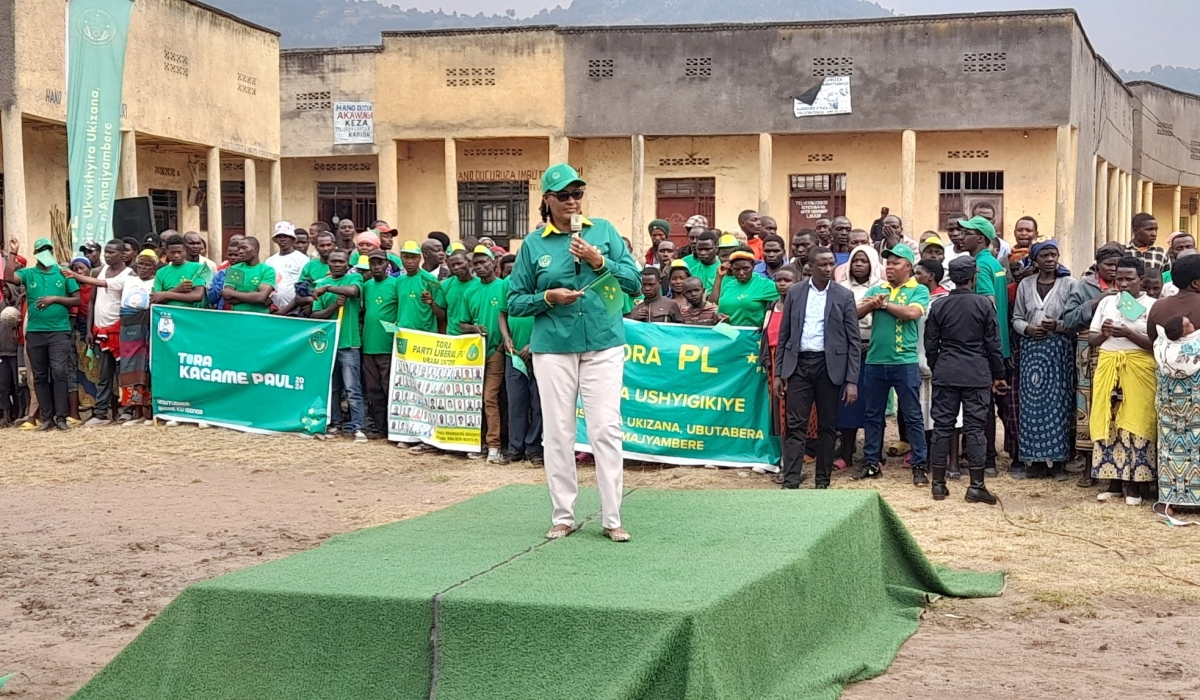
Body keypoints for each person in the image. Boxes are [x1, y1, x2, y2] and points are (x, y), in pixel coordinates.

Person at [507, 163, 641, 543]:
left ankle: (612, 518)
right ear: (547, 201)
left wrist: (600, 260)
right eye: (563, 195)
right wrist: (548, 297)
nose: (571, 201)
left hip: (603, 341)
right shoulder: (535, 244)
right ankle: (563, 515)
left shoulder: (604, 232)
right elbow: (514, 301)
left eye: (576, 194)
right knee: (559, 431)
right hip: (554, 346)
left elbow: (633, 283)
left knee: (605, 429)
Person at [774, 248, 860, 490]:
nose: (827, 268)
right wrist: (780, 372)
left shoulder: (844, 296)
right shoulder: (796, 292)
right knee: (795, 424)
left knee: (827, 426)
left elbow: (854, 340)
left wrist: (852, 380)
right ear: (810, 266)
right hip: (799, 364)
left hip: (829, 367)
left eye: (831, 263)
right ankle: (791, 481)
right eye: (822, 264)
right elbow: (785, 334)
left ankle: (822, 481)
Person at [925, 256, 1008, 504]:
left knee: (942, 427)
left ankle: (938, 484)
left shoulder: (939, 306)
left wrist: (937, 365)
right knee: (975, 429)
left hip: (946, 371)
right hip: (977, 373)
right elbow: (993, 344)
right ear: (973, 278)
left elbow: (930, 343)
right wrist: (999, 374)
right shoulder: (984, 305)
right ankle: (976, 486)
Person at [855, 243, 930, 483]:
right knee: (872, 415)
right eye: (888, 263)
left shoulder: (918, 290)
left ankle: (919, 464)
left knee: (912, 415)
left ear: (909, 266)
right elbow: (856, 313)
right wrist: (872, 303)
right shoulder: (879, 289)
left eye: (896, 263)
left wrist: (884, 304)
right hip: (875, 361)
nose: (890, 267)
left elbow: (911, 314)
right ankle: (871, 463)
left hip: (904, 362)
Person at [1089, 256, 1157, 506]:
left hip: (1139, 367)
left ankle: (1137, 486)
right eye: (1119, 279)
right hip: (1109, 366)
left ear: (1141, 280)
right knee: (1110, 421)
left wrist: (1128, 332)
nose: (1124, 284)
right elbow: (1092, 339)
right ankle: (1113, 483)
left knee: (1137, 422)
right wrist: (1105, 333)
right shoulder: (1107, 303)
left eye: (1130, 279)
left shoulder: (1152, 306)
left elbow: (1155, 344)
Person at [1011, 240, 1075, 480]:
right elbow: (1016, 317)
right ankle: (1035, 462)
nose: (1050, 259)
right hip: (1031, 350)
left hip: (1058, 350)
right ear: (1035, 260)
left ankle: (1057, 463)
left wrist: (1057, 325)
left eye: (1054, 255)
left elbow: (1075, 319)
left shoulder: (1069, 284)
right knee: (1031, 404)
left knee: (1058, 403)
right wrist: (1027, 329)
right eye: (1045, 255)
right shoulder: (1025, 285)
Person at [1, 238, 80, 430]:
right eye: (41, 250)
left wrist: (55, 299)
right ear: (36, 253)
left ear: (51, 251)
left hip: (59, 331)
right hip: (35, 332)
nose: (44, 252)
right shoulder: (29, 273)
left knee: (59, 372)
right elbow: (9, 277)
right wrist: (13, 252)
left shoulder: (63, 273)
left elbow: (76, 300)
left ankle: (61, 417)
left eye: (47, 249)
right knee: (39, 375)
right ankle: (47, 418)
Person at [1062, 243, 1123, 487]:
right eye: (1109, 265)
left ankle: (1112, 468)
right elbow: (1068, 319)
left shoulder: (1127, 285)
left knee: (1114, 406)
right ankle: (1088, 468)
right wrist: (1095, 303)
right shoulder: (1084, 286)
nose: (1114, 270)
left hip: (1118, 351)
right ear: (1098, 265)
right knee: (1087, 406)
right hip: (1088, 352)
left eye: (1118, 265)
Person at [1146, 253, 1200, 511]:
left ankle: (1170, 495)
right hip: (1197, 388)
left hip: (1169, 388)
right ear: (1197, 283)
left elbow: (1151, 340)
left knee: (1169, 439)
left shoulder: (1158, 307)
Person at [957, 216, 1010, 475]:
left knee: (982, 404)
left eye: (966, 232)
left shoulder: (980, 265)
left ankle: (987, 460)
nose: (960, 235)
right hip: (998, 343)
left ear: (980, 238)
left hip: (984, 345)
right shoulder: (994, 262)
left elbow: (987, 301)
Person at [63, 240, 130, 426]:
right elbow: (92, 301)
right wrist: (91, 328)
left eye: (111, 252)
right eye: (106, 252)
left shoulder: (128, 274)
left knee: (122, 374)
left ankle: (126, 410)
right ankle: (100, 413)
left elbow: (105, 285)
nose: (107, 256)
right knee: (103, 374)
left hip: (118, 331)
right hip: (100, 331)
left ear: (122, 254)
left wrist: (74, 274)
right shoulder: (98, 271)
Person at [311, 249, 367, 442]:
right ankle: (335, 423)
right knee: (333, 388)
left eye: (341, 262)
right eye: (334, 261)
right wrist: (334, 306)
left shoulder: (354, 279)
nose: (337, 264)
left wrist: (328, 289)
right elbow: (315, 315)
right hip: (329, 344)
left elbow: (353, 292)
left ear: (347, 264)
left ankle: (358, 426)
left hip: (349, 343)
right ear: (328, 264)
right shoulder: (320, 284)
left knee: (352, 388)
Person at [833, 244, 881, 469]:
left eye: (864, 261)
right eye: (855, 261)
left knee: (873, 403)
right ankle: (846, 452)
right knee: (849, 403)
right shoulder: (840, 288)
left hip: (875, 350)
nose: (859, 265)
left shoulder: (882, 287)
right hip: (848, 353)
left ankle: (874, 453)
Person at [461, 245, 510, 464]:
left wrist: (502, 343)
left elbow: (510, 316)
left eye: (483, 262)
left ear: (494, 264)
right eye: (476, 264)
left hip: (496, 351)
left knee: (489, 397)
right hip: (473, 353)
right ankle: (477, 441)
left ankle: (494, 446)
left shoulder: (503, 287)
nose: (479, 267)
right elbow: (462, 323)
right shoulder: (470, 291)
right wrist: (474, 329)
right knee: (474, 398)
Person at [759, 264, 799, 482]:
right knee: (780, 417)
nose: (782, 284)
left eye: (787, 280)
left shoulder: (801, 308)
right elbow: (765, 336)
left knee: (795, 417)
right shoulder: (771, 307)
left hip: (794, 367)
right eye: (779, 280)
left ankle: (797, 465)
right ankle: (785, 462)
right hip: (773, 367)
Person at [358, 249, 398, 439]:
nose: (376, 267)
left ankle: (394, 427)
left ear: (387, 265)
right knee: (373, 389)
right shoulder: (366, 286)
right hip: (369, 345)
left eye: (379, 263)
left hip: (388, 345)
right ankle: (380, 427)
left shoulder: (395, 284)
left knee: (389, 387)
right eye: (372, 263)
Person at [499, 293, 542, 467]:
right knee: (516, 402)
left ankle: (534, 450)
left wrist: (533, 343)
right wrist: (506, 336)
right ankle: (515, 448)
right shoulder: (509, 283)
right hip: (514, 355)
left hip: (540, 353)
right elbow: (502, 313)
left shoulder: (543, 282)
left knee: (538, 404)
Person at [116, 251, 158, 426]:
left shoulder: (157, 281)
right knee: (129, 366)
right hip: (128, 325)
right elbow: (102, 282)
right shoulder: (129, 280)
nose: (143, 268)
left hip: (147, 325)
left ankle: (149, 413)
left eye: (147, 265)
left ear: (154, 268)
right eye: (140, 265)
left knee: (147, 366)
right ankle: (135, 412)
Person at [712, 249, 779, 327]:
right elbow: (716, 306)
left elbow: (787, 298)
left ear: (753, 266)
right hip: (727, 335)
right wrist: (719, 317)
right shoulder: (728, 286)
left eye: (745, 268)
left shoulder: (764, 284)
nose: (741, 273)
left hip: (752, 336)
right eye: (736, 269)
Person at [395, 240, 446, 335]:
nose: (409, 261)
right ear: (401, 258)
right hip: (403, 333)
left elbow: (443, 315)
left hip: (425, 334)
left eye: (414, 257)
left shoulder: (431, 280)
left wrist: (432, 303)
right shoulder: (399, 281)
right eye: (406, 257)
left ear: (420, 258)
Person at [150, 234, 208, 308]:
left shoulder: (198, 267)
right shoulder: (160, 272)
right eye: (172, 252)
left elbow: (197, 296)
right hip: (168, 315)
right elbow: (156, 299)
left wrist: (165, 295)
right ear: (166, 252)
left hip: (192, 315)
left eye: (179, 252)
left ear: (185, 251)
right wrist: (177, 289)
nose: (176, 255)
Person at [221, 237, 276, 314]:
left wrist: (233, 293)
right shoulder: (234, 269)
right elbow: (228, 298)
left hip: (261, 316)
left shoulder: (267, 270)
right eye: (239, 249)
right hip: (237, 315)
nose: (240, 251)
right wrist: (255, 296)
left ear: (255, 249)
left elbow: (260, 297)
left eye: (244, 248)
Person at [265, 222, 309, 312]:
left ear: (293, 239)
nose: (282, 239)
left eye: (286, 236)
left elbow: (303, 287)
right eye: (279, 236)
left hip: (294, 311)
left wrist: (285, 310)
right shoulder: (269, 261)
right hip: (272, 309)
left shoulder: (302, 260)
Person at [441, 249, 477, 337]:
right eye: (452, 265)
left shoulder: (480, 284)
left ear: (469, 262)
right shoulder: (445, 285)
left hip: (476, 337)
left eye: (459, 263)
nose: (456, 267)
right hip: (452, 337)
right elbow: (442, 314)